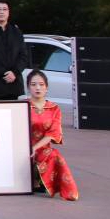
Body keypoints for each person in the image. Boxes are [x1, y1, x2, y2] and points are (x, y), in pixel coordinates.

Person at [27, 70, 79, 201]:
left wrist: (34, 148)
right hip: (22, 147)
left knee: (54, 154)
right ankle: (32, 182)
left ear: (47, 87)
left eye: (41, 84)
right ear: (28, 87)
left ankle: (65, 190)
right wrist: (27, 148)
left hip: (42, 149)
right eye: (33, 84)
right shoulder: (23, 106)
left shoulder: (54, 108)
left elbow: (53, 134)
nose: (37, 88)